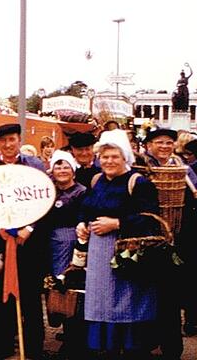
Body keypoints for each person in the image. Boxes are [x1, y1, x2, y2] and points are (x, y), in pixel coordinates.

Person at [76, 130, 160, 358]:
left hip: (127, 251)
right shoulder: (97, 180)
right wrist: (82, 223)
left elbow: (150, 218)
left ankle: (132, 349)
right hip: (98, 251)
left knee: (126, 301)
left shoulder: (138, 182)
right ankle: (107, 348)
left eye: (114, 156)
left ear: (125, 158)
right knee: (102, 301)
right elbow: (86, 207)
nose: (109, 161)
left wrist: (117, 223)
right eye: (105, 157)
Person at [0, 123, 46, 359]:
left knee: (30, 297)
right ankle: (3, 345)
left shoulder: (35, 166)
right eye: (3, 141)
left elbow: (44, 200)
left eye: (12, 140)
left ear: (19, 140)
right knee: (1, 298)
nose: (8, 145)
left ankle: (33, 349)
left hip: (28, 243)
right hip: (0, 242)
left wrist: (29, 228)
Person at [141, 128, 196, 358]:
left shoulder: (182, 168)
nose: (165, 146)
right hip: (147, 238)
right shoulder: (140, 168)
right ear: (149, 145)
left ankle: (172, 348)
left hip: (176, 239)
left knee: (169, 297)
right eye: (159, 142)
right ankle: (146, 343)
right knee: (144, 296)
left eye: (169, 142)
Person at [44, 150, 87, 359]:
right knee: (53, 288)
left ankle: (73, 340)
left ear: (73, 170)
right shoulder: (49, 190)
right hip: (48, 243)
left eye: (65, 166)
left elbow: (83, 218)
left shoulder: (80, 192)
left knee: (69, 289)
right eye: (58, 166)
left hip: (69, 243)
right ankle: (64, 330)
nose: (61, 170)